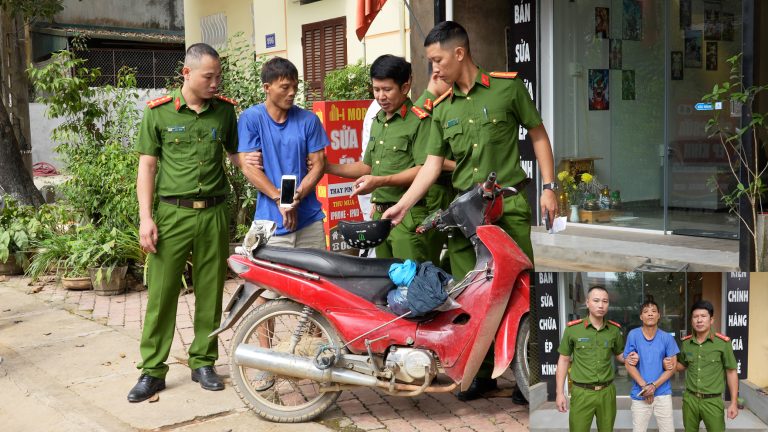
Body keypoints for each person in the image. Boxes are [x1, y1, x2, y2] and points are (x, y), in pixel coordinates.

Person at [382, 20, 558, 399]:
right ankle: (481, 373)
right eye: (431, 62)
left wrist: (549, 187)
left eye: (438, 60)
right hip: (464, 216)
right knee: (472, 295)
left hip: (507, 206)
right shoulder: (442, 110)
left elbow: (539, 135)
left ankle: (528, 373)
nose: (434, 69)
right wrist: (402, 205)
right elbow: (431, 165)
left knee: (519, 291)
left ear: (459, 53)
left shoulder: (506, 89)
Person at [130, 43, 238, 402]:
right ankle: (152, 371)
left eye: (218, 76)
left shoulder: (223, 113)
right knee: (161, 293)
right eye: (209, 76)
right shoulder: (158, 114)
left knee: (210, 289)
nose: (215, 83)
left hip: (213, 213)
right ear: (187, 74)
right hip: (172, 213)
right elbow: (147, 167)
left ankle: (203, 362)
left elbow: (238, 156)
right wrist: (146, 218)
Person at [324, 54, 448, 262]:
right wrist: (327, 167)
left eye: (387, 89)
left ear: (405, 87)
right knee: (383, 282)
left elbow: (424, 169)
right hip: (378, 217)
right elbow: (367, 167)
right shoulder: (378, 121)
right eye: (376, 89)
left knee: (411, 284)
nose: (381, 96)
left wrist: (380, 181)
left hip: (408, 216)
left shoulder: (419, 120)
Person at [237, 57, 328, 306]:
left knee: (317, 287)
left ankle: (315, 343)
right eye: (285, 87)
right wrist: (280, 199)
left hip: (309, 218)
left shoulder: (308, 120)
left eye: (295, 87)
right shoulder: (251, 119)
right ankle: (264, 346)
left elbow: (318, 164)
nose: (292, 93)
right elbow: (248, 166)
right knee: (263, 289)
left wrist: (296, 197)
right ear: (267, 87)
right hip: (269, 220)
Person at [555, 286, 637, 432]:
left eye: (605, 301)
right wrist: (560, 393)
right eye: (596, 300)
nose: (601, 305)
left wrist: (629, 357)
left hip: (607, 393)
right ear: (587, 303)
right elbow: (563, 360)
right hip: (582, 393)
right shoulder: (573, 329)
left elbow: (619, 354)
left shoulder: (614, 330)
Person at [665, 300, 739, 432]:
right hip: (690, 400)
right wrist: (670, 364)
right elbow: (682, 365)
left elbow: (731, 372)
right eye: (695, 317)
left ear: (711, 320)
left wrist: (733, 402)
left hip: (712, 401)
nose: (699, 320)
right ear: (692, 321)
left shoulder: (722, 343)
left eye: (703, 316)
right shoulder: (686, 343)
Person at [623, 300, 679, 432]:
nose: (650, 314)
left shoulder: (667, 338)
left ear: (659, 315)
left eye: (653, 311)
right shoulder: (633, 335)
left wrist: (653, 386)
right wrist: (645, 386)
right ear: (641, 316)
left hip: (663, 393)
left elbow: (673, 367)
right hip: (640, 393)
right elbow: (628, 363)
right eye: (646, 312)